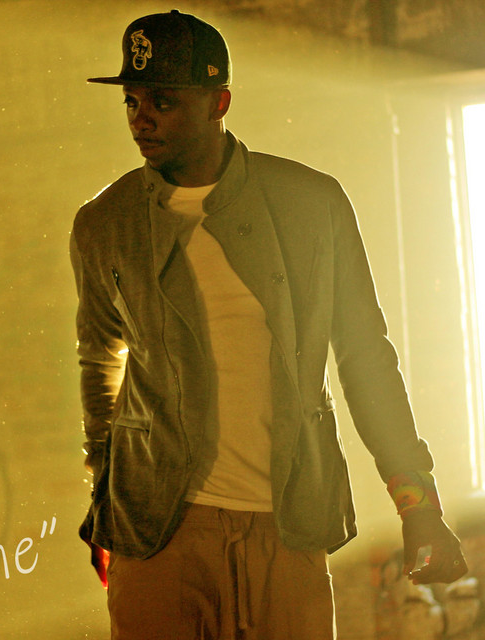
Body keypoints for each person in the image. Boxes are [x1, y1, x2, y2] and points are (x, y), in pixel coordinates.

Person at [69, 10, 467, 639]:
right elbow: (99, 359)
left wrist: (417, 504)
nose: (141, 119)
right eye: (132, 101)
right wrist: (105, 499)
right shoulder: (104, 222)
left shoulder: (310, 204)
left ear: (219, 102)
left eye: (163, 102)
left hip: (287, 522)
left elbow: (366, 358)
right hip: (158, 530)